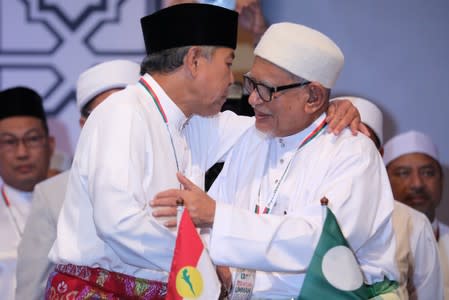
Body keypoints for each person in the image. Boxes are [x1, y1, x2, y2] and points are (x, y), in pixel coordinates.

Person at [47, 4, 363, 299]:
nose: (232, 79)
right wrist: (205, 260)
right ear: (195, 60)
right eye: (228, 63)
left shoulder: (195, 124)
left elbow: (279, 123)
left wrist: (321, 108)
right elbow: (119, 224)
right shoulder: (123, 111)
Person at [153, 22, 400, 298]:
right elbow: (210, 223)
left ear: (314, 96)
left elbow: (320, 244)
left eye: (267, 89)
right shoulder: (253, 139)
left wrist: (217, 217)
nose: (253, 100)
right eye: (251, 84)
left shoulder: (354, 154)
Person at [15, 60, 140, 300]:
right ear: (84, 125)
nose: (118, 124)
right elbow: (31, 290)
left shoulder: (173, 180)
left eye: (128, 113)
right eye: (105, 114)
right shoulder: (52, 194)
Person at [339, 96, 443, 299]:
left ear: (379, 153)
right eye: (338, 146)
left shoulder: (413, 223)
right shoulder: (300, 210)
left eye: (359, 145)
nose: (348, 156)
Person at [0, 86, 54, 300]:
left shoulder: (76, 207)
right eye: (9, 142)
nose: (22, 153)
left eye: (32, 139)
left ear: (50, 145)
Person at [383, 130, 449, 298]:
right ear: (383, 179)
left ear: (442, 180)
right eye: (403, 173)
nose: (417, 184)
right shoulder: (373, 246)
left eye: (427, 173)